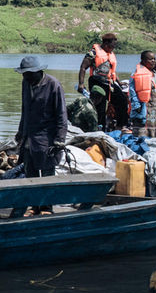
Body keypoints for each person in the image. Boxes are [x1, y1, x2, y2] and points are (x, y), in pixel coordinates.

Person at [15, 55, 67, 185]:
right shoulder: (26, 83)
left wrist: (59, 140)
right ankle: (33, 204)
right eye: (24, 74)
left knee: (47, 179)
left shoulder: (53, 85)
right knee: (29, 177)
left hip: (46, 141)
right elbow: (25, 110)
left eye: (28, 74)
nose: (25, 77)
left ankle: (46, 206)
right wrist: (21, 132)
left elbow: (61, 115)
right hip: (29, 139)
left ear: (37, 72)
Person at [77, 33, 120, 130]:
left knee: (121, 100)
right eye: (112, 45)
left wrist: (119, 82)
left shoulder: (110, 53)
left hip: (109, 83)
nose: (114, 47)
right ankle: (98, 127)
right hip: (96, 82)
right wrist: (81, 83)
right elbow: (83, 67)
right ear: (106, 43)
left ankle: (118, 125)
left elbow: (111, 71)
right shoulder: (94, 53)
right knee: (99, 106)